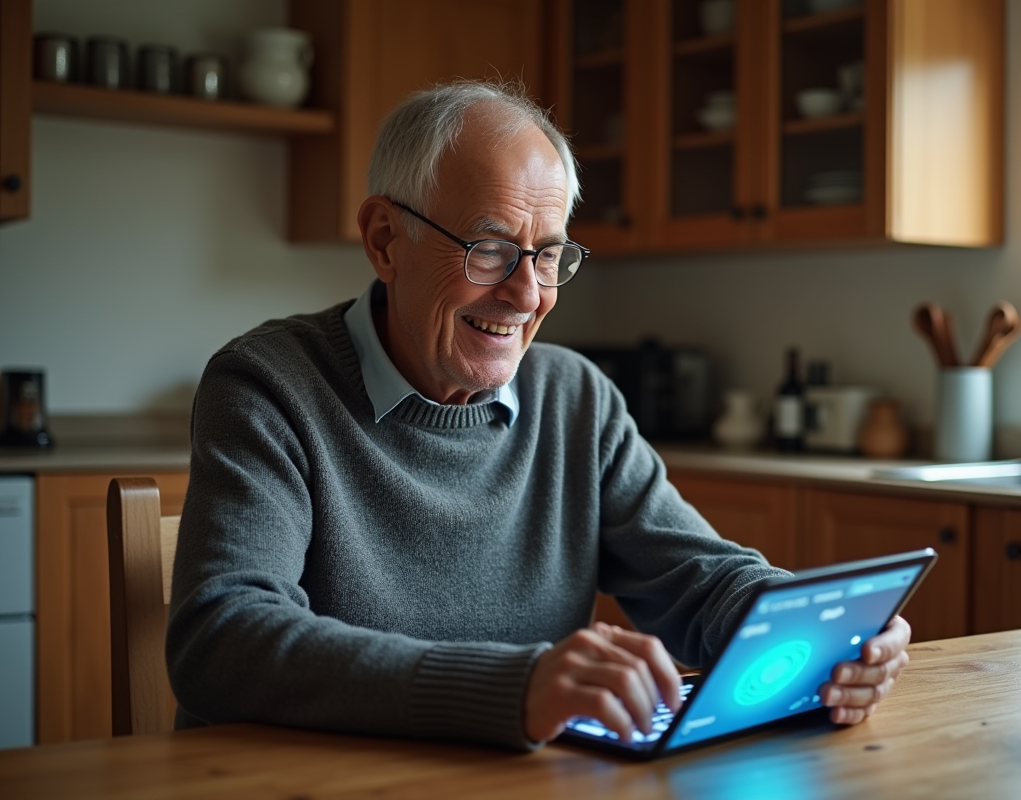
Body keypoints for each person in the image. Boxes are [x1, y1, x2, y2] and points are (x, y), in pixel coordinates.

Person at [166, 80, 911, 751]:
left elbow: (697, 579)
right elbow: (222, 641)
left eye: (548, 255)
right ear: (386, 240)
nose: (527, 295)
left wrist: (819, 626)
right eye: (490, 249)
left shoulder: (576, 398)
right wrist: (512, 687)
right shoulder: (268, 386)